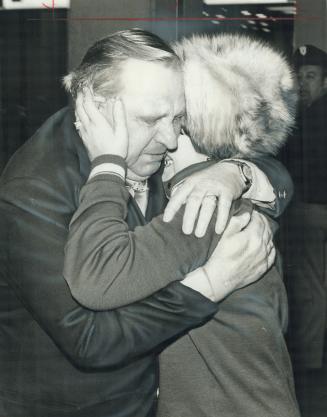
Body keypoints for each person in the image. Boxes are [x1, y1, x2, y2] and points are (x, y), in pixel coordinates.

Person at [0, 29, 290, 417]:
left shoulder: (153, 151)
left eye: (179, 118)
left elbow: (261, 160)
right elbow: (90, 340)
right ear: (97, 107)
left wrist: (238, 173)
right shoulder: (35, 185)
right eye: (153, 119)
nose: (171, 139)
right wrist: (210, 286)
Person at [285, 44, 327, 371]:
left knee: (309, 287)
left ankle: (309, 363)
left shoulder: (304, 119)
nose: (303, 83)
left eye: (310, 76)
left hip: (312, 211)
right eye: (299, 76)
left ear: (326, 82)